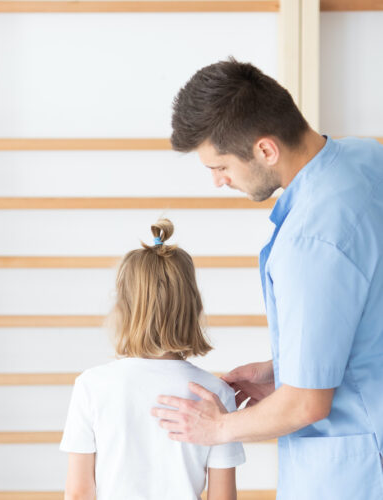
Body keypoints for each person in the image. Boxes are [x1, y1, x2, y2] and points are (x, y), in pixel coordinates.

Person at [152, 58, 383, 499]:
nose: (219, 182)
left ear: (265, 149)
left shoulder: (310, 241)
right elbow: (367, 317)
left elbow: (306, 404)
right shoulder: (367, 157)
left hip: (358, 473)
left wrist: (218, 427)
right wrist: (287, 368)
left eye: (220, 166)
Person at [61, 219, 244, 500]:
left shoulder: (91, 385)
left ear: (122, 308)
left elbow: (78, 493)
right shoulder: (216, 394)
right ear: (193, 307)